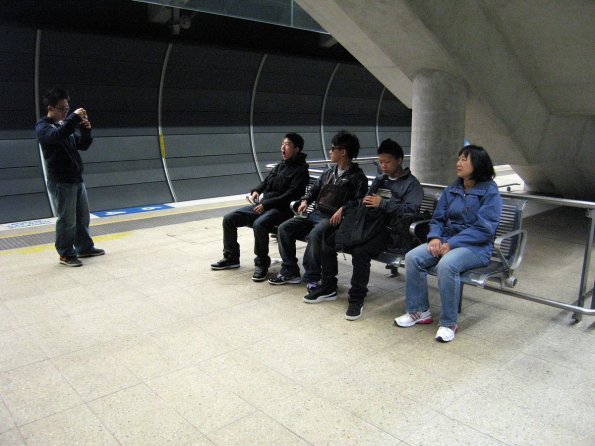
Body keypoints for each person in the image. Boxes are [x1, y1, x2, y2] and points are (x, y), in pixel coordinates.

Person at [305, 139, 423, 321]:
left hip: (390, 231)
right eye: (381, 162)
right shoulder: (380, 179)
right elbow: (363, 200)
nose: (383, 166)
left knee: (361, 251)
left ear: (399, 160)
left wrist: (382, 203)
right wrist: (345, 208)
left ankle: (356, 298)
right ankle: (328, 287)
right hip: (368, 223)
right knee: (328, 239)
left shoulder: (411, 184)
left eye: (387, 162)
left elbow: (411, 211)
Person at [394, 144, 502, 342]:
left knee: (447, 264)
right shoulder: (452, 189)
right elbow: (438, 218)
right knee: (413, 257)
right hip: (446, 241)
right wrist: (435, 237)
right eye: (459, 158)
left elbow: (484, 229)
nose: (458, 163)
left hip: (476, 247)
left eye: (464, 159)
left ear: (477, 165)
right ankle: (419, 311)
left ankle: (448, 323)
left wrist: (452, 243)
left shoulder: (490, 192)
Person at [268, 130, 368, 288]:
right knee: (284, 228)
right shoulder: (329, 172)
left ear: (343, 152)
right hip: (316, 214)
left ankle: (312, 276)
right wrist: (305, 200)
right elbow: (314, 191)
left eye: (333, 148)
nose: (330, 151)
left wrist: (343, 208)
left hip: (333, 219)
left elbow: (359, 201)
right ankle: (290, 270)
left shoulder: (357, 177)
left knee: (315, 235)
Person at [211, 133, 309, 281]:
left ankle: (262, 263)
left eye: (287, 144)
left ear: (297, 149)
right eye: (282, 144)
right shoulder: (281, 165)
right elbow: (266, 182)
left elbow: (290, 195)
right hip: (264, 206)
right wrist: (257, 190)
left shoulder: (301, 170)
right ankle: (231, 258)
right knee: (229, 219)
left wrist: (265, 204)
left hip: (282, 210)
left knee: (260, 224)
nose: (283, 147)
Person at [35, 87, 104, 267]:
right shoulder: (43, 127)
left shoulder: (63, 125)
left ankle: (84, 247)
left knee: (82, 217)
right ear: (50, 108)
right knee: (67, 220)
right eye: (62, 109)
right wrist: (73, 118)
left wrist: (86, 131)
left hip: (76, 178)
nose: (65, 112)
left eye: (67, 108)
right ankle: (65, 253)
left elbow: (81, 145)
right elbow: (57, 136)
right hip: (61, 181)